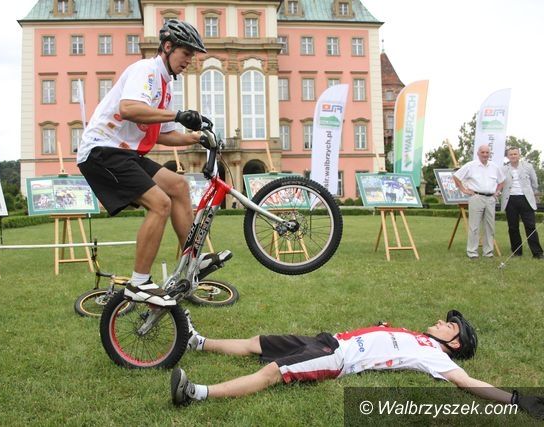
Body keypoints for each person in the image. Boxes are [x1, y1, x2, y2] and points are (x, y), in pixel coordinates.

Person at [77, 19, 231, 307]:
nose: (189, 60)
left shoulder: (165, 85)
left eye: (192, 55)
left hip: (125, 152)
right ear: (168, 47)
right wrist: (177, 115)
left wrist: (196, 137)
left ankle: (193, 262)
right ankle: (139, 282)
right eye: (186, 53)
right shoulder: (146, 70)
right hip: (102, 150)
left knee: (178, 185)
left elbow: (161, 134)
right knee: (160, 203)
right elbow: (128, 108)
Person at [171, 311, 544, 419]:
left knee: (273, 372)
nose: (441, 322)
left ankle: (196, 394)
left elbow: (468, 382)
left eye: (450, 325)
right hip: (329, 339)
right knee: (259, 342)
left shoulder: (435, 357)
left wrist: (515, 400)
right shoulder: (417, 336)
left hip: (338, 357)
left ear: (455, 343)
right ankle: (197, 342)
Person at [452, 145, 505, 259]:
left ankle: (488, 252)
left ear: (490, 154)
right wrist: (464, 190)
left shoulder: (494, 167)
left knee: (490, 227)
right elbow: (456, 177)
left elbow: (502, 181)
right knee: (474, 226)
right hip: (476, 197)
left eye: (487, 152)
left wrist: (497, 191)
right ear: (478, 153)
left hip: (490, 199)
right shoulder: (471, 165)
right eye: (483, 152)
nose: (485, 154)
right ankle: (472, 252)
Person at [500, 147, 543, 259]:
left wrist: (530, 193)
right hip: (510, 200)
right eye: (511, 154)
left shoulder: (528, 167)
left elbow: (534, 183)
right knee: (513, 227)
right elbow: (500, 183)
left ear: (519, 155)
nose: (513, 156)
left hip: (525, 199)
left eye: (515, 154)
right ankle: (517, 252)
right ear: (507, 156)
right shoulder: (503, 169)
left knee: (530, 226)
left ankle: (537, 253)